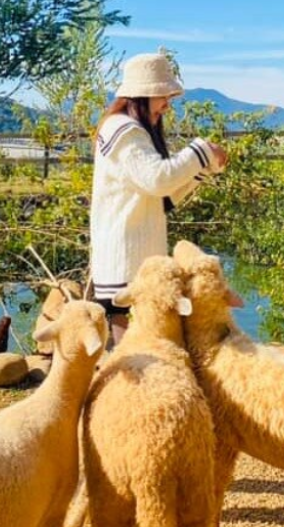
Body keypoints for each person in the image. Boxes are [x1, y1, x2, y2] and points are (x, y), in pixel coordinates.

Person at [90, 53, 228, 348]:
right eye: (163, 94)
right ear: (143, 94)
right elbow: (159, 179)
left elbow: (163, 197)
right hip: (126, 261)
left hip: (135, 259)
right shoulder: (123, 129)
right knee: (138, 356)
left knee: (145, 354)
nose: (167, 103)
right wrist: (201, 150)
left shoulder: (128, 129)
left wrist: (204, 168)